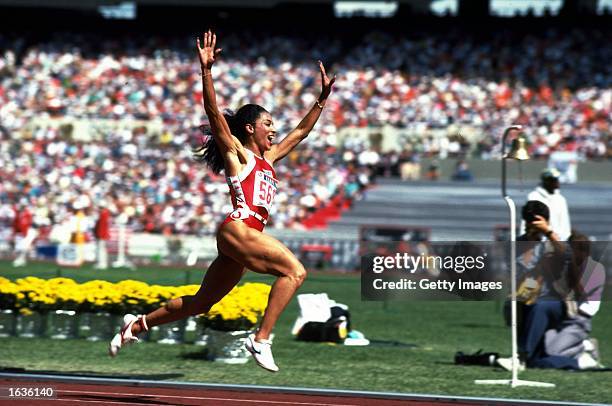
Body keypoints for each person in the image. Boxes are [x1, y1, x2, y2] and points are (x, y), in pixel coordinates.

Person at [108, 30, 336, 373]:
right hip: (239, 227)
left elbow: (302, 132)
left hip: (243, 236)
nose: (274, 130)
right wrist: (206, 71)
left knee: (202, 303)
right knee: (295, 271)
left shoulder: (270, 159)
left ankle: (135, 325)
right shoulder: (238, 155)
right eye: (268, 124)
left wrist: (321, 99)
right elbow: (214, 113)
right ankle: (261, 340)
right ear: (248, 128)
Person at [497, 201, 599, 371]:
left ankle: (519, 357)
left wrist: (549, 232)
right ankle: (581, 360)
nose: (534, 228)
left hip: (558, 302)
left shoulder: (554, 241)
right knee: (537, 360)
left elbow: (567, 256)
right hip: (526, 297)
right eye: (530, 223)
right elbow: (514, 276)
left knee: (540, 305)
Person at [543, 231, 605, 367]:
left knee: (552, 352)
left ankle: (585, 346)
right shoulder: (566, 267)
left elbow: (579, 291)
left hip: (580, 319)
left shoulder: (596, 269)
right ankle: (580, 348)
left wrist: (572, 270)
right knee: (543, 349)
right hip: (564, 315)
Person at [520, 168, 571, 241]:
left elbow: (565, 223)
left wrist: (563, 240)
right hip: (537, 240)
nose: (557, 182)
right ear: (546, 181)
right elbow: (527, 220)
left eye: (557, 179)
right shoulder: (533, 196)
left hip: (556, 241)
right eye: (553, 179)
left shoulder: (561, 199)